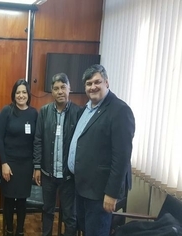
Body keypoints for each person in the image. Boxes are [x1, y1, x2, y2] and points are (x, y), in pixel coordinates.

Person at [67, 64, 135, 236]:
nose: (93, 87)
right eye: (89, 84)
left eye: (97, 82)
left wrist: (111, 193)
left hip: (100, 193)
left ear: (107, 82)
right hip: (83, 187)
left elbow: (122, 157)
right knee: (86, 229)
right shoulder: (87, 109)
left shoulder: (119, 110)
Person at [33, 73, 81, 236]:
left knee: (69, 216)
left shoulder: (78, 113)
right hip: (48, 173)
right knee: (47, 211)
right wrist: (37, 166)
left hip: (69, 176)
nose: (60, 91)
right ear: (51, 92)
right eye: (56, 88)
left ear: (69, 89)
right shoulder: (44, 112)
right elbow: (38, 140)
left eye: (63, 87)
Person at [0, 79, 38, 236]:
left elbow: (36, 141)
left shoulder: (34, 113)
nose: (21, 95)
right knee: (9, 199)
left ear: (28, 94)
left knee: (22, 200)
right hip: (10, 162)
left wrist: (36, 166)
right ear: (14, 94)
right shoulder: (7, 111)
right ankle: (8, 230)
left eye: (24, 92)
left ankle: (19, 230)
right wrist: (4, 163)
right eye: (18, 92)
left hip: (26, 164)